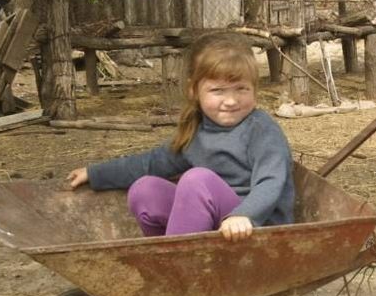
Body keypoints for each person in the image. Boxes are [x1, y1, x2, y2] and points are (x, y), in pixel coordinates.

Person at [67, 32, 295, 242]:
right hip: (217, 226)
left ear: (254, 89)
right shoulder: (196, 131)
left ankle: (176, 267)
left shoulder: (261, 130)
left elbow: (271, 181)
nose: (231, 100)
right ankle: (172, 256)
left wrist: (244, 215)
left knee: (196, 180)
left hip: (253, 226)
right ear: (194, 91)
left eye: (241, 89)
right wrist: (95, 173)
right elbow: (150, 163)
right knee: (144, 189)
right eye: (218, 91)